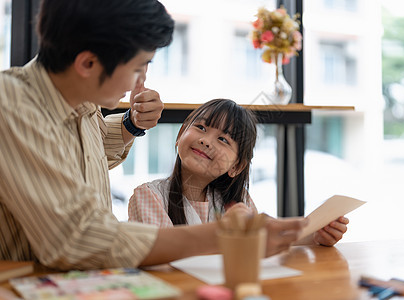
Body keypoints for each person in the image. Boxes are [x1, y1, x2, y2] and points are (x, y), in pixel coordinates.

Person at [0, 0, 318, 271]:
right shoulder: (12, 106)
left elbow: (82, 152)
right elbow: (79, 237)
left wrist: (131, 124)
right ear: (88, 62)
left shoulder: (79, 101)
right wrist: (227, 237)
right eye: (140, 65)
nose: (143, 79)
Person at [129, 99, 259, 226]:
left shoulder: (241, 202)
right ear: (181, 134)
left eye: (223, 139)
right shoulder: (149, 196)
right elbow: (163, 248)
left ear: (236, 166)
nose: (206, 141)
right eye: (201, 127)